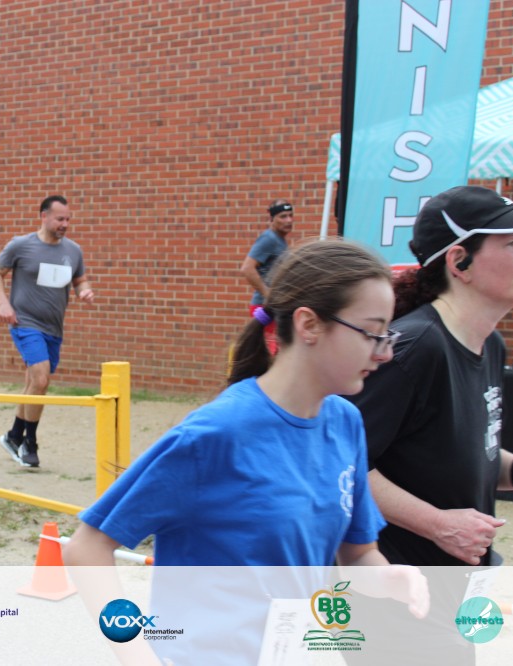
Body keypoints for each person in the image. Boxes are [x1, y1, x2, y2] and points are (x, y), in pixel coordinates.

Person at [64, 240, 428, 665]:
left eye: (387, 334)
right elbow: (86, 550)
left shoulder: (346, 423)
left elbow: (357, 554)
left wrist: (388, 578)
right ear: (309, 325)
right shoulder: (216, 433)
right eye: (371, 333)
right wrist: (138, 657)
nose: (384, 352)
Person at [342, 186, 513, 665]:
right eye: (512, 244)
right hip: (395, 596)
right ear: (460, 262)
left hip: (454, 593)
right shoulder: (415, 348)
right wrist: (439, 524)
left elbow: (464, 450)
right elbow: (340, 461)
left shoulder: (490, 345)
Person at [0, 194, 94, 468]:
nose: (65, 224)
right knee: (41, 379)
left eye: (68, 219)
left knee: (34, 384)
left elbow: (80, 280)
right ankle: (30, 443)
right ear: (44, 216)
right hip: (25, 323)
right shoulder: (21, 245)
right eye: (60, 219)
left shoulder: (73, 251)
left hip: (53, 328)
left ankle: (14, 436)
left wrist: (84, 291)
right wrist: (4, 304)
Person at [239, 199, 293, 353]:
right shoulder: (268, 239)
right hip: (264, 308)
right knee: (271, 352)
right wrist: (268, 294)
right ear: (272, 218)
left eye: (290, 215)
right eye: (283, 216)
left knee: (274, 350)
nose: (289, 220)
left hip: (273, 306)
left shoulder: (280, 241)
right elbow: (247, 268)